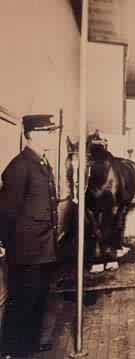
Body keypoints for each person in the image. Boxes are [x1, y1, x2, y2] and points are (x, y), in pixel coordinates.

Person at [0, 114, 59, 356]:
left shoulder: (42, 163)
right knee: (21, 304)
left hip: (41, 248)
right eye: (48, 131)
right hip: (25, 250)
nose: (52, 135)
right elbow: (6, 209)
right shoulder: (20, 166)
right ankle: (12, 351)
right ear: (33, 134)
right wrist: (1, 240)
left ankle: (29, 345)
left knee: (37, 301)